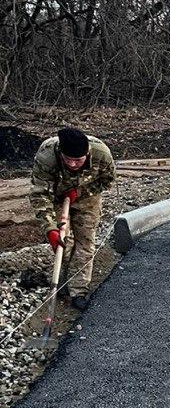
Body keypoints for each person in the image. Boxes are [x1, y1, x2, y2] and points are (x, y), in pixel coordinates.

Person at [30, 126, 116, 310]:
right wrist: (50, 228)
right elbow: (39, 195)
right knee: (64, 243)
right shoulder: (47, 156)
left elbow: (107, 180)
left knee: (85, 243)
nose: (73, 164)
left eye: (78, 160)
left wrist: (81, 191)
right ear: (61, 153)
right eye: (68, 159)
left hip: (87, 199)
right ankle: (63, 282)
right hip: (57, 198)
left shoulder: (102, 154)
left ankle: (79, 291)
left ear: (87, 153)